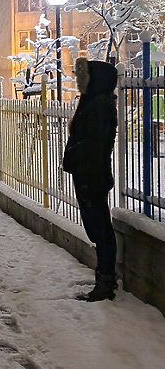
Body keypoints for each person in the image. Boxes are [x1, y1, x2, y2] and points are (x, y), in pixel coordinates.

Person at [61, 57, 119, 302]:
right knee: (96, 228)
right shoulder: (94, 103)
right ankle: (104, 277)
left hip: (92, 176)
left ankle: (105, 282)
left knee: (100, 229)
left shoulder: (99, 106)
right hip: (89, 174)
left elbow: (94, 145)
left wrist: (74, 157)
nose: (79, 82)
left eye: (84, 77)